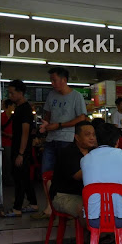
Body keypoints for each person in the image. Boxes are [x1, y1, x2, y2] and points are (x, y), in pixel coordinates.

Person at [34, 67, 88, 219]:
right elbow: (48, 114)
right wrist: (46, 125)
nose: (52, 83)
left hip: (68, 140)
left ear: (64, 80)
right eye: (51, 80)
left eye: (54, 80)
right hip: (51, 139)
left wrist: (59, 125)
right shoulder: (51, 95)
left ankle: (67, 205)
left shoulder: (76, 96)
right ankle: (49, 206)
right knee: (46, 172)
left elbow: (82, 118)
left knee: (68, 174)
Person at [81, 123, 122, 244]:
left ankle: (97, 243)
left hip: (93, 219)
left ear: (97, 139)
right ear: (117, 141)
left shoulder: (85, 159)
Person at [0, 81, 38, 217]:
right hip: (19, 148)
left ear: (20, 93)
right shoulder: (19, 108)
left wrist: (21, 154)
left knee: (20, 178)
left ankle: (17, 208)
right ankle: (33, 203)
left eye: (12, 93)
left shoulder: (25, 109)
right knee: (25, 178)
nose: (10, 96)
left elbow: (25, 133)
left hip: (21, 150)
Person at [49, 121, 97, 226]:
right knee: (88, 209)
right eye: (87, 135)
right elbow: (78, 176)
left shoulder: (94, 152)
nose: (92, 138)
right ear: (77, 137)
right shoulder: (68, 152)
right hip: (63, 196)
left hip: (85, 195)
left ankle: (103, 232)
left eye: (93, 135)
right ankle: (92, 234)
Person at [1, 99, 15, 186]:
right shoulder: (1, 116)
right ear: (9, 106)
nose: (14, 108)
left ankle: (9, 178)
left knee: (10, 161)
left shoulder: (14, 117)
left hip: (12, 143)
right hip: (4, 142)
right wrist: (7, 135)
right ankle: (6, 179)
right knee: (6, 162)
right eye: (13, 106)